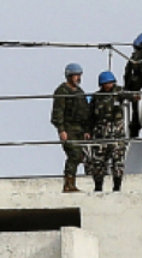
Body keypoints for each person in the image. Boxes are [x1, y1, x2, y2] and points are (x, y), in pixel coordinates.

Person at [88, 71, 135, 192]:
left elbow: (128, 95)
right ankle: (98, 186)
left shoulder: (118, 92)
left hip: (116, 132)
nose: (109, 85)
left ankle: (117, 186)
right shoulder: (97, 97)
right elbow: (91, 115)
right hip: (100, 132)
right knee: (98, 161)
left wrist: (136, 96)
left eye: (111, 83)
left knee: (117, 160)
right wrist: (88, 130)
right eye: (106, 83)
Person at [50, 62, 91, 193]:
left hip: (79, 128)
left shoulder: (80, 92)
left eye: (79, 75)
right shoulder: (62, 91)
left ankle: (71, 183)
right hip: (68, 128)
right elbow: (58, 112)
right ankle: (68, 184)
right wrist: (61, 130)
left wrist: (86, 130)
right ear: (69, 76)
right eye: (75, 75)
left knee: (80, 156)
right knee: (74, 154)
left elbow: (85, 112)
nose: (78, 78)